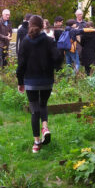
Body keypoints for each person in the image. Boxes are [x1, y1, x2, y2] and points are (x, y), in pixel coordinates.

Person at [17, 15, 63, 153]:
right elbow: (58, 57)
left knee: (34, 110)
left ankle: (36, 143)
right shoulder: (49, 41)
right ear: (43, 25)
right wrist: (55, 67)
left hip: (30, 81)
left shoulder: (25, 42)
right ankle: (45, 127)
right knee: (43, 104)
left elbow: (21, 64)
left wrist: (20, 81)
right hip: (46, 80)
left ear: (29, 25)